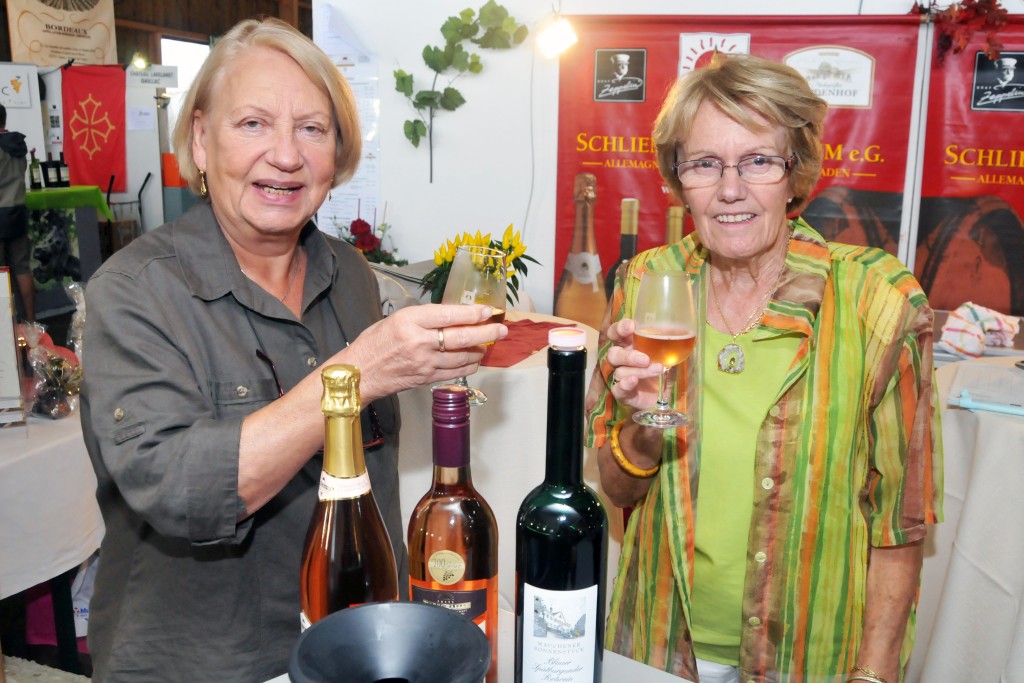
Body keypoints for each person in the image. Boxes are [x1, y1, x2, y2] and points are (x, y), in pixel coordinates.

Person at [80, 17, 506, 682]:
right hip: (207, 664)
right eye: (253, 123)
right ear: (200, 138)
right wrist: (359, 371)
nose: (285, 155)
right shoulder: (135, 292)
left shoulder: (350, 274)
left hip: (353, 648)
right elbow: (179, 489)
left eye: (312, 128)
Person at [585, 53, 942, 683]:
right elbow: (617, 489)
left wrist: (875, 673)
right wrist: (642, 429)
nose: (730, 189)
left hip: (810, 657)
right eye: (704, 163)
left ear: (794, 172)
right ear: (679, 178)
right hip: (656, 647)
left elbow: (900, 521)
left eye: (757, 161)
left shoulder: (879, 302)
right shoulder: (647, 284)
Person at [0, 104, 35, 322]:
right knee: (22, 268)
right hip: (18, 211)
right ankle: (31, 322)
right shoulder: (18, 144)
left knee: (1, 272)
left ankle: (5, 326)